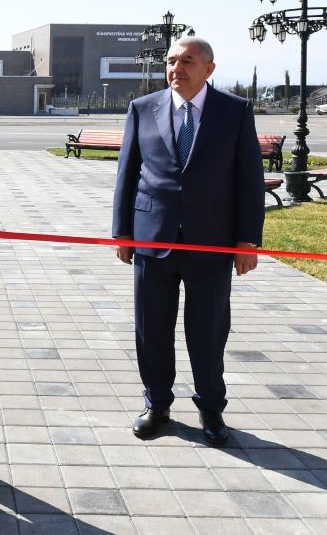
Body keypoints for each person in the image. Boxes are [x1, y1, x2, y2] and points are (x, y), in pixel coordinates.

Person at [112, 36, 264, 445]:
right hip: (152, 240)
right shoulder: (143, 108)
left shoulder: (234, 112)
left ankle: (212, 410)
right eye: (172, 61)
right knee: (151, 329)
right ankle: (156, 404)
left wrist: (247, 240)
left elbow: (249, 180)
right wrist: (122, 232)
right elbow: (128, 174)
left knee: (209, 330)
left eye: (188, 61)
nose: (177, 68)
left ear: (209, 69)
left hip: (211, 244)